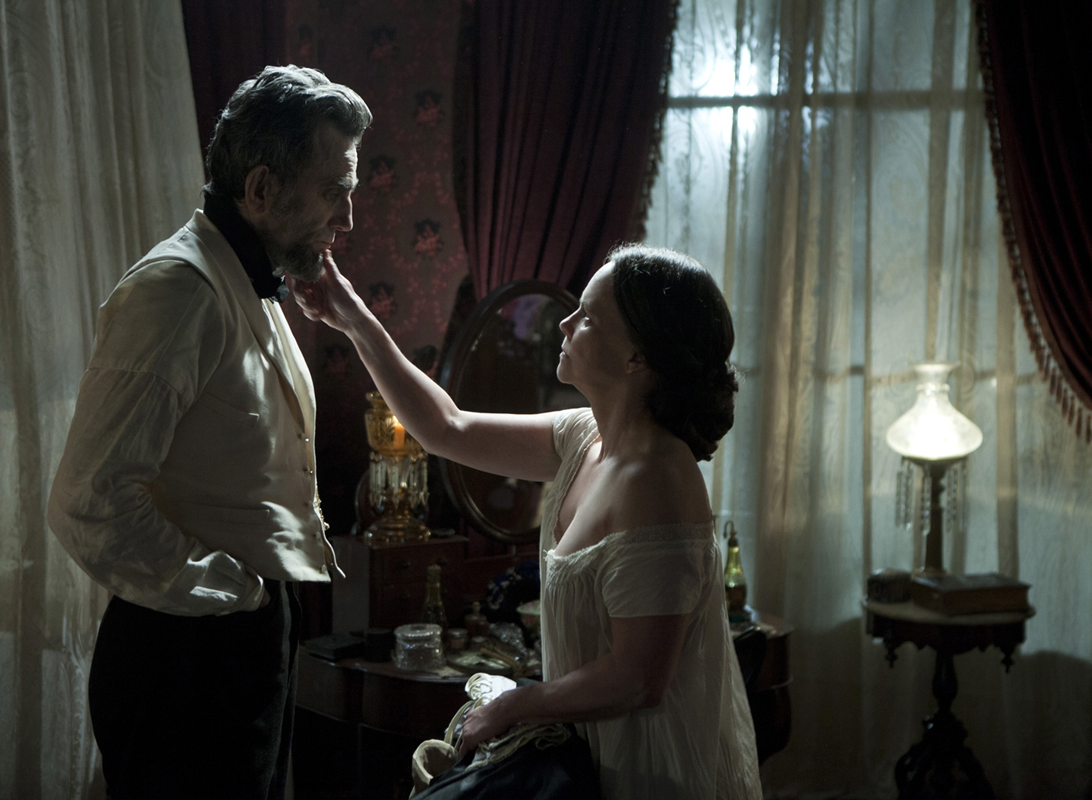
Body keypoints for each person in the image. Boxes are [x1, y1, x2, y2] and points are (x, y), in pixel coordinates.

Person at [294, 243, 762, 799]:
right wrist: (351, 317)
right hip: (587, 751)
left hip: (648, 766)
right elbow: (447, 428)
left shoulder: (658, 481)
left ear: (637, 357)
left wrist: (514, 705)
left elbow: (639, 679)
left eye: (587, 317)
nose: (564, 323)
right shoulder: (584, 438)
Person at [47, 66, 370, 800]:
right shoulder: (175, 291)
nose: (348, 220)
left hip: (237, 641)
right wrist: (237, 595)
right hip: (185, 658)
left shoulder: (248, 279)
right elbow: (89, 501)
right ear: (259, 189)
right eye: (334, 191)